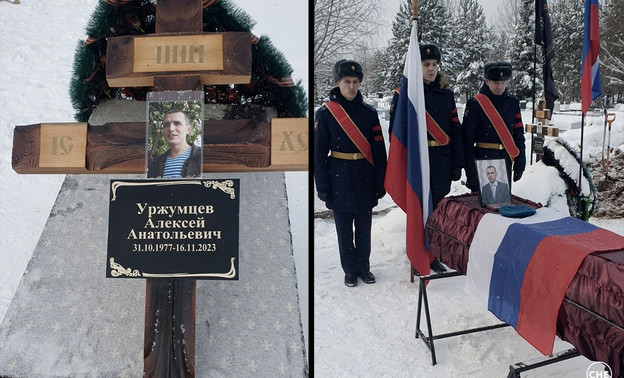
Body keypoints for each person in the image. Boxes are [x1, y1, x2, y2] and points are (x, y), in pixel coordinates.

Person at [389, 43, 463, 273]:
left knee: (437, 210)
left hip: (441, 159)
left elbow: (454, 130)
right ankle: (420, 254)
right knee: (420, 209)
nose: (431, 69)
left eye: (434, 65)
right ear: (416, 66)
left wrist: (457, 163)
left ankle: (434, 253)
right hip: (418, 161)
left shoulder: (446, 95)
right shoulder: (407, 94)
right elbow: (396, 132)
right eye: (425, 64)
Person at [314, 59, 387, 287]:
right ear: (338, 82)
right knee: (344, 230)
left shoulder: (369, 113)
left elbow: (378, 150)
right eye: (347, 81)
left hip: (365, 176)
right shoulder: (325, 114)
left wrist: (380, 180)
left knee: (364, 228)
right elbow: (318, 154)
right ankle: (349, 270)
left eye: (355, 82)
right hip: (339, 179)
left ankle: (364, 268)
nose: (352, 86)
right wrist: (323, 186)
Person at [462, 61, 526, 193]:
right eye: (496, 83)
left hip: (505, 160)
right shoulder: (475, 103)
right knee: (483, 208)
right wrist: (471, 172)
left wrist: (520, 163)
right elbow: (467, 140)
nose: (500, 87)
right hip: (482, 160)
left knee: (502, 206)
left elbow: (519, 134)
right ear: (487, 81)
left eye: (503, 83)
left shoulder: (512, 103)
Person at [148, 108, 202, 178]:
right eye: (166, 125)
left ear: (188, 129)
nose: (171, 129)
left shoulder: (201, 156)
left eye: (177, 123)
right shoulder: (156, 164)